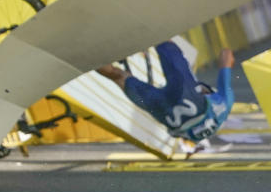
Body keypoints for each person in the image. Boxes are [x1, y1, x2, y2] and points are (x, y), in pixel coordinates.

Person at [95, 42, 234, 147]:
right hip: (168, 116)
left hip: (192, 101)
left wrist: (226, 47)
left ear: (206, 92)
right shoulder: (195, 136)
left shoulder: (225, 104)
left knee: (165, 43)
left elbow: (226, 57)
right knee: (118, 77)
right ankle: (86, 55)